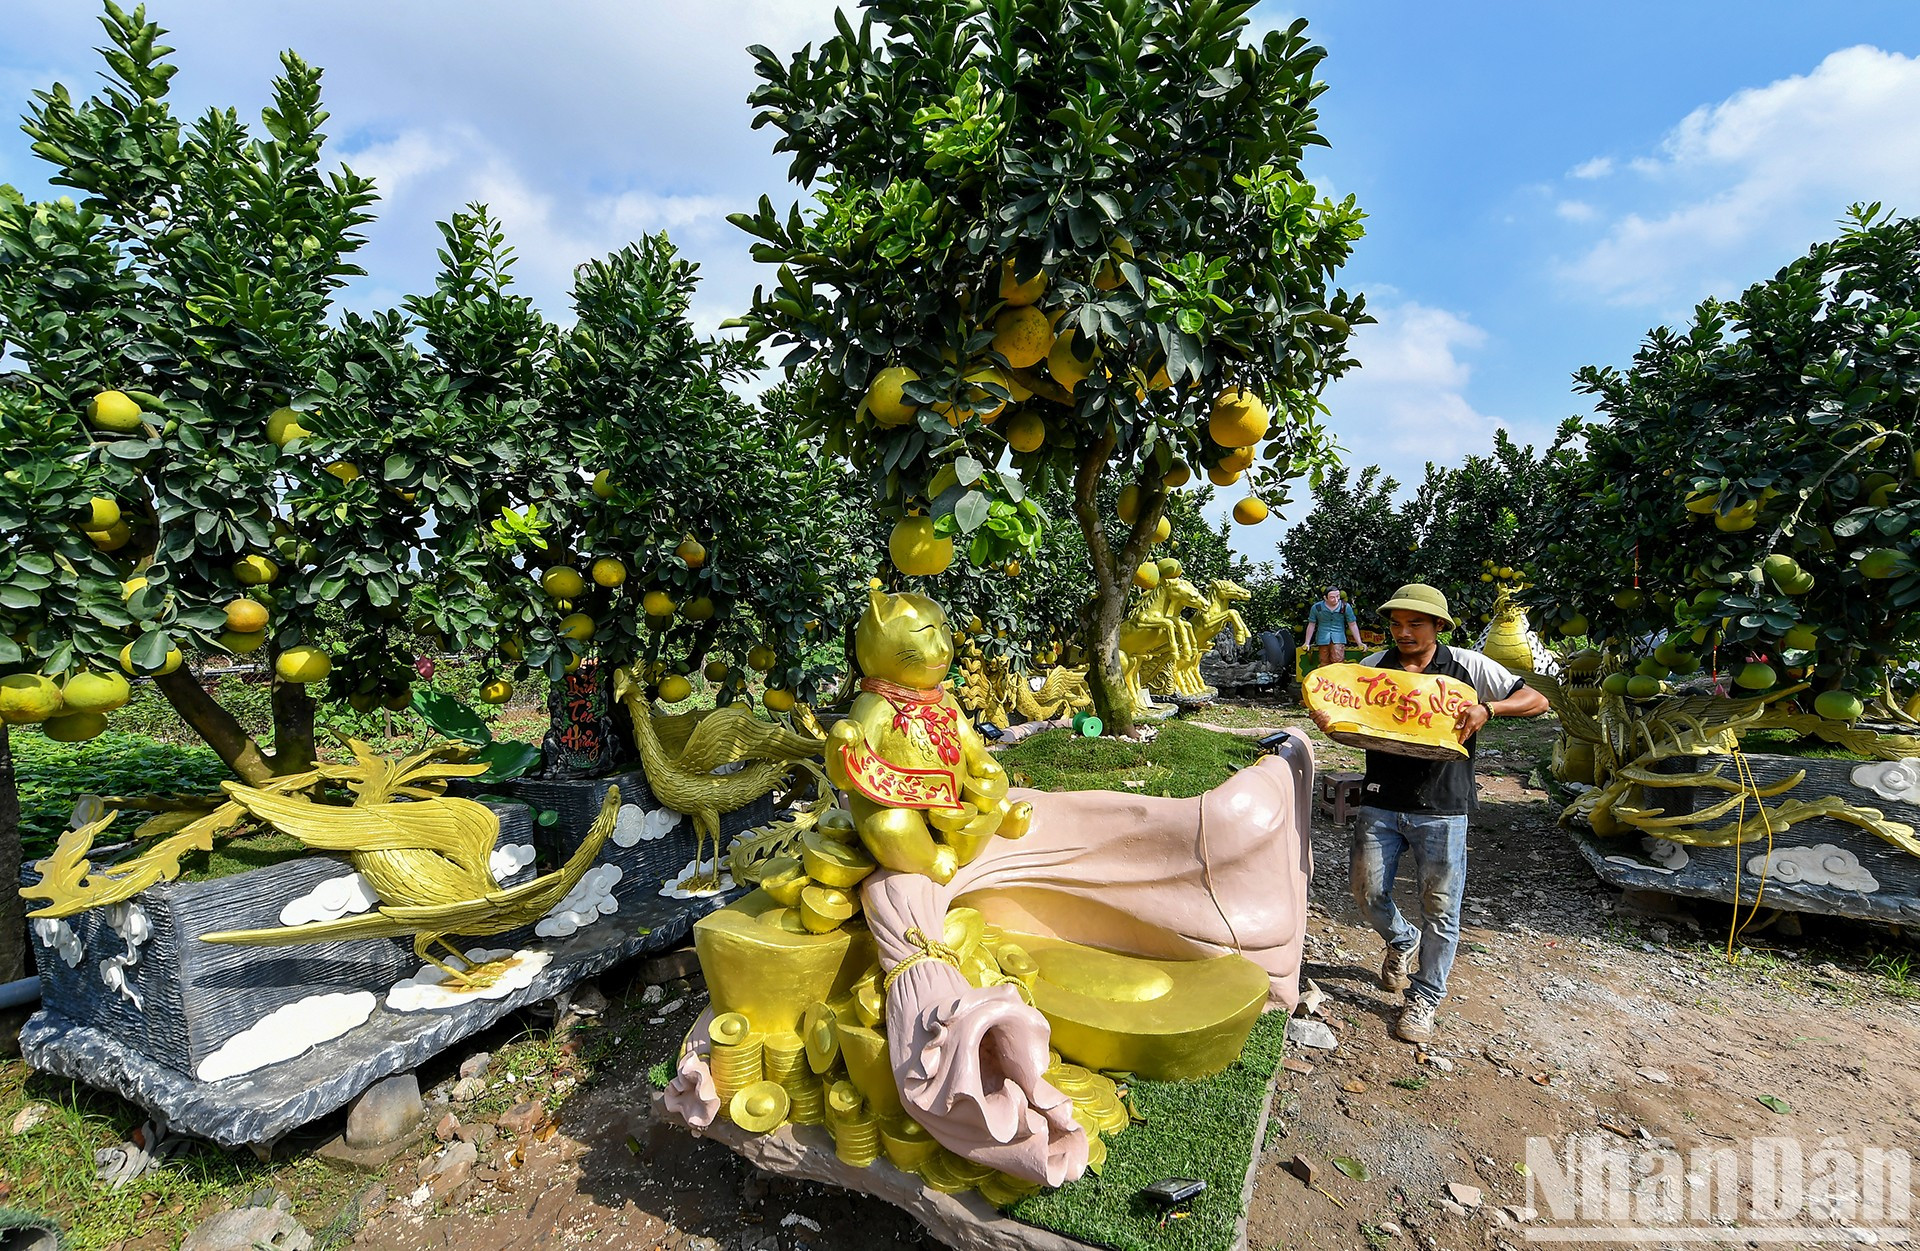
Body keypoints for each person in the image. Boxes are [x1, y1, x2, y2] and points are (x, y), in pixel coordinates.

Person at [1308, 582, 1548, 1044]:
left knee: (1440, 906)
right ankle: (1401, 939)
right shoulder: (1374, 667)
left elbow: (1537, 701)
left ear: (1438, 625)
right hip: (1380, 798)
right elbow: (1353, 726)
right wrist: (1331, 726)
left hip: (1443, 807)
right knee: (1366, 890)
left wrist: (1488, 709)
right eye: (1396, 624)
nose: (1403, 632)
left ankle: (1425, 998)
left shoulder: (1468, 666)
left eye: (1414, 624)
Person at [1303, 587, 1361, 668]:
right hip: (1322, 638)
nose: (1336, 599)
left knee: (1338, 661)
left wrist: (1359, 643)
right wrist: (1307, 642)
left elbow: (1352, 624)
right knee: (1323, 661)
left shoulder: (1345, 606)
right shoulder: (1317, 607)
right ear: (1325, 598)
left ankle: (1337, 679)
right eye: (1332, 597)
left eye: (1338, 596)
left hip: (1338, 638)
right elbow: (1311, 624)